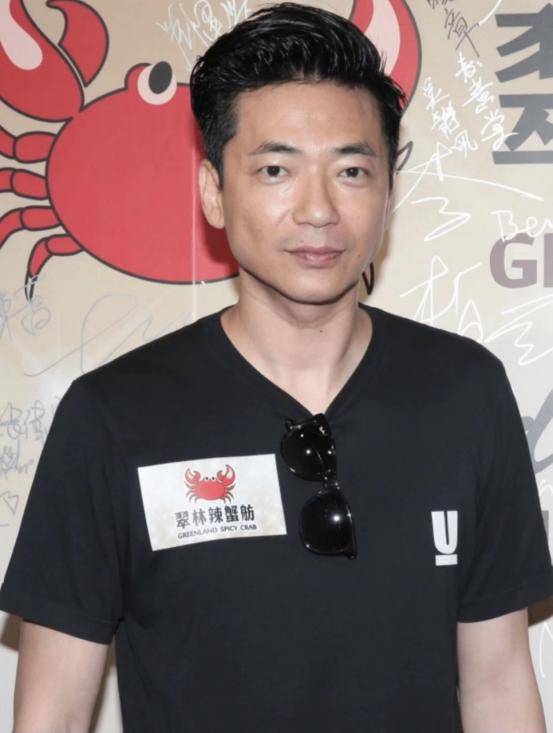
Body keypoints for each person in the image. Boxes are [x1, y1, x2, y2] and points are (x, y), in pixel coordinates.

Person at [1, 2, 552, 731]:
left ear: (389, 191)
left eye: (351, 170)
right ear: (214, 192)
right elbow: (54, 716)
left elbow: (498, 686)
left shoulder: (465, 392)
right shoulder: (113, 416)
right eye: (275, 170)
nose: (317, 209)